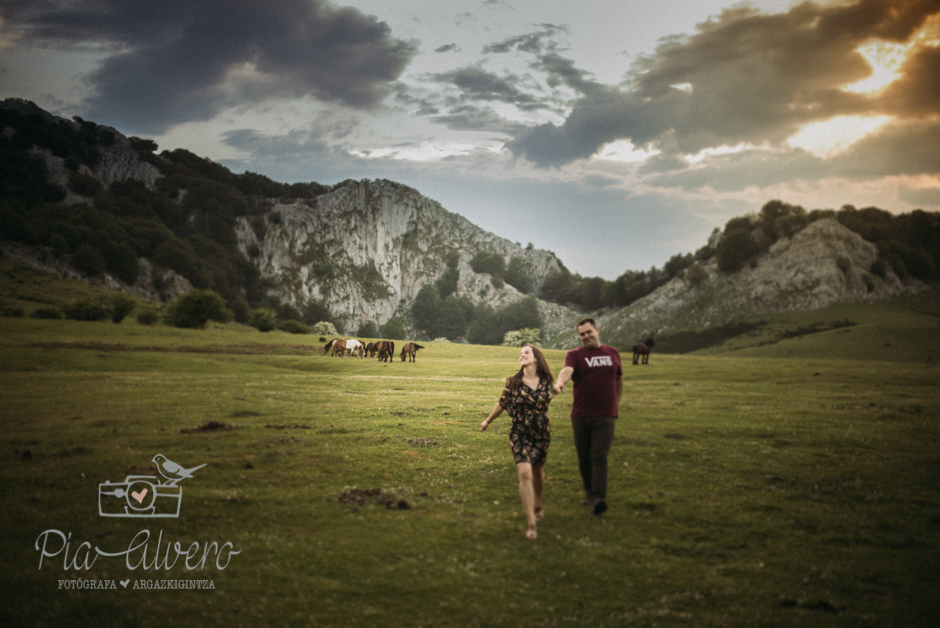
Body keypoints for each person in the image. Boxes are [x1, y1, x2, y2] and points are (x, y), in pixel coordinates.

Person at [481, 345, 555, 540]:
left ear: (536, 358)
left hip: (541, 431)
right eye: (520, 353)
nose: (522, 355)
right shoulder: (513, 382)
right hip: (519, 431)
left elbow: (554, 391)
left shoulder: (547, 381)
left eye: (526, 352)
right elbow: (503, 403)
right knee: (524, 472)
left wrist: (559, 386)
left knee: (538, 471)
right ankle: (531, 523)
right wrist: (488, 421)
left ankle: (538, 503)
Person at [553, 317, 622, 515]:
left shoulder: (613, 353)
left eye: (588, 332)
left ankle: (599, 497)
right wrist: (560, 383)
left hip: (605, 415)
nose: (585, 336)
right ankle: (590, 493)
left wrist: (615, 404)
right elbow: (567, 370)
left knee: (598, 455)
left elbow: (619, 378)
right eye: (582, 334)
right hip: (581, 414)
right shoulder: (575, 354)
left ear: (597, 330)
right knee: (584, 458)